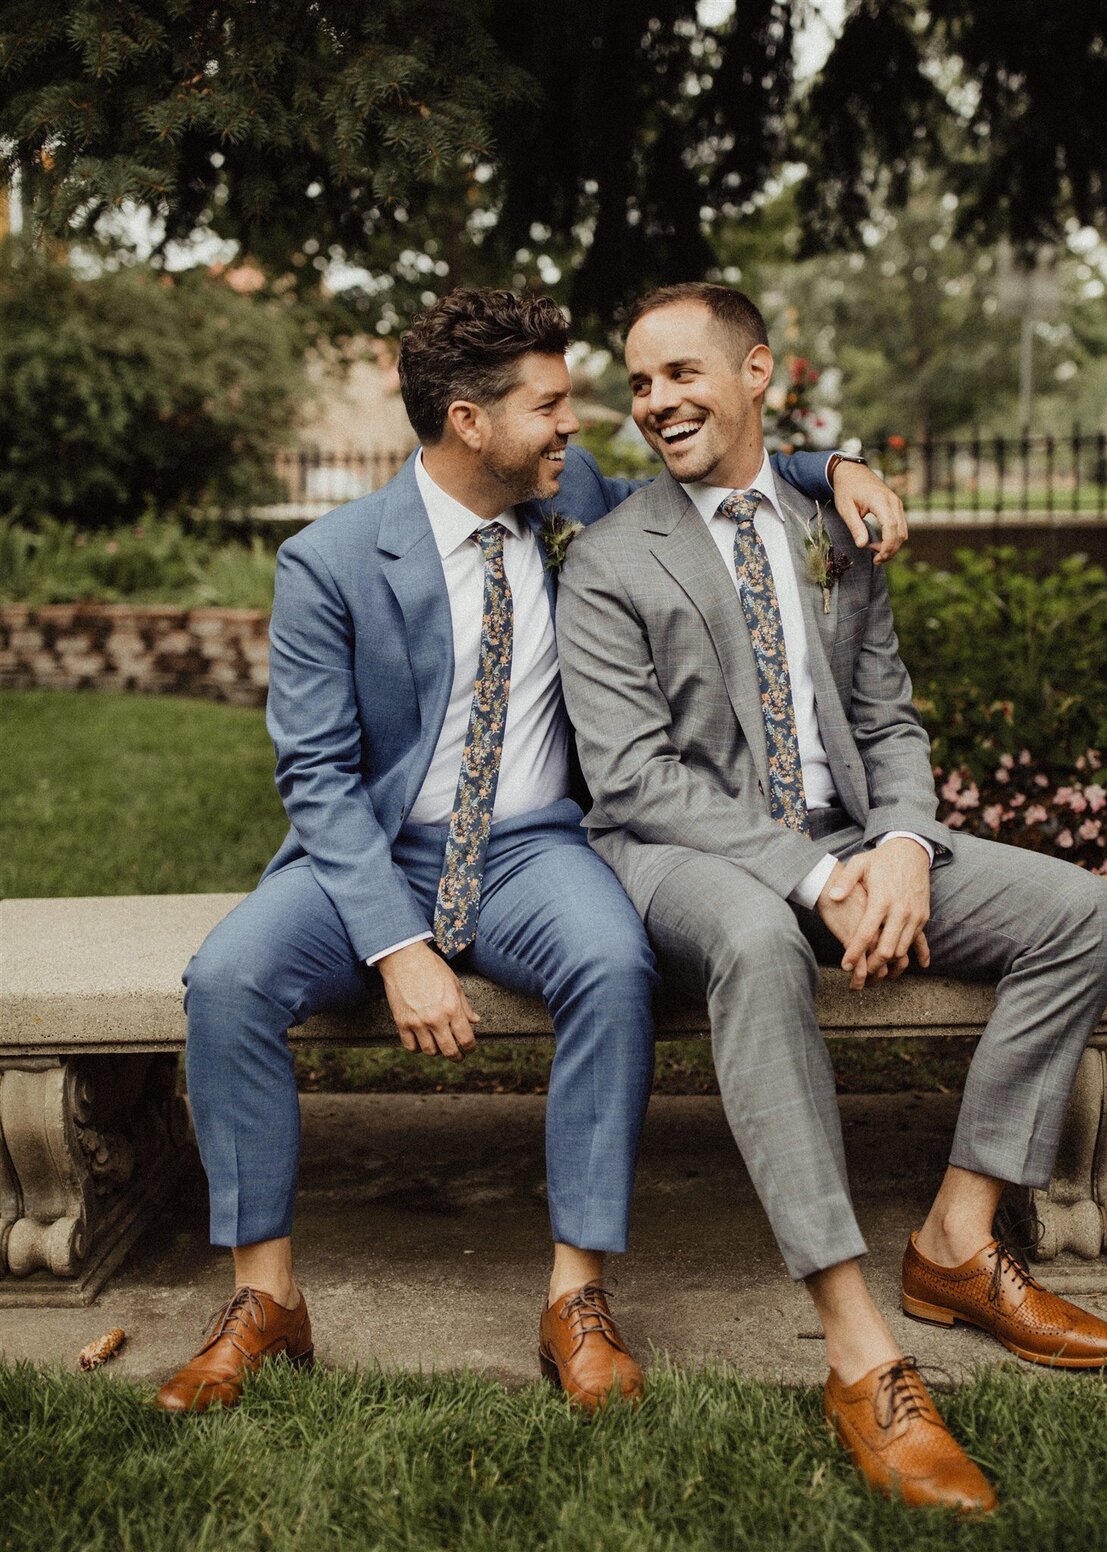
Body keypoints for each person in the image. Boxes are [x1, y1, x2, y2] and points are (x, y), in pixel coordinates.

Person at [156, 286, 909, 1416]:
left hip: (535, 847)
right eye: (551, 406)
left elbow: (745, 470)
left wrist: (836, 465)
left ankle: (577, 1296)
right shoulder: (332, 559)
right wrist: (397, 944)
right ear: (471, 422)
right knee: (223, 981)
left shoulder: (575, 499)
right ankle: (264, 1299)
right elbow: (315, 779)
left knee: (613, 966)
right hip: (374, 851)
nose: (577, 426)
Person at [555, 282, 1107, 1511]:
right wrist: (824, 879)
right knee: (764, 944)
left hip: (855, 834)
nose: (655, 401)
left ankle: (958, 1239)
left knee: (1086, 915)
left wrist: (908, 848)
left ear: (757, 371)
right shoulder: (609, 556)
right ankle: (859, 1340)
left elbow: (885, 712)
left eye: (681, 373)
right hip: (678, 852)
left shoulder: (830, 525)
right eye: (640, 381)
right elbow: (635, 778)